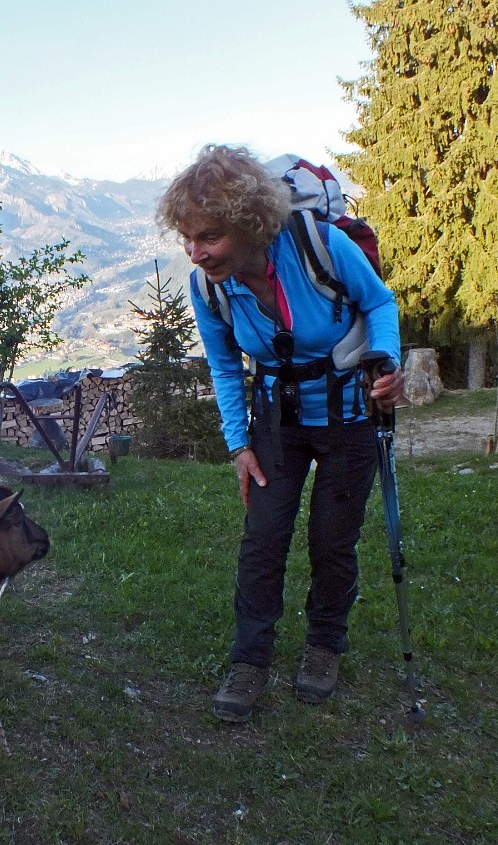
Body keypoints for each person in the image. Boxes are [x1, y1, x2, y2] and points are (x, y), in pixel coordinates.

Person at [156, 144, 405, 721]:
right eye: (188, 239)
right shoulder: (210, 287)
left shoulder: (321, 245)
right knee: (263, 540)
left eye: (209, 237)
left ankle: (324, 647)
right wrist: (238, 445)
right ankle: (249, 660)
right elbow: (224, 365)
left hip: (348, 416)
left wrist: (386, 362)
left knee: (331, 539)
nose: (196, 254)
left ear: (248, 224)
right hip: (276, 421)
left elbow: (380, 302)